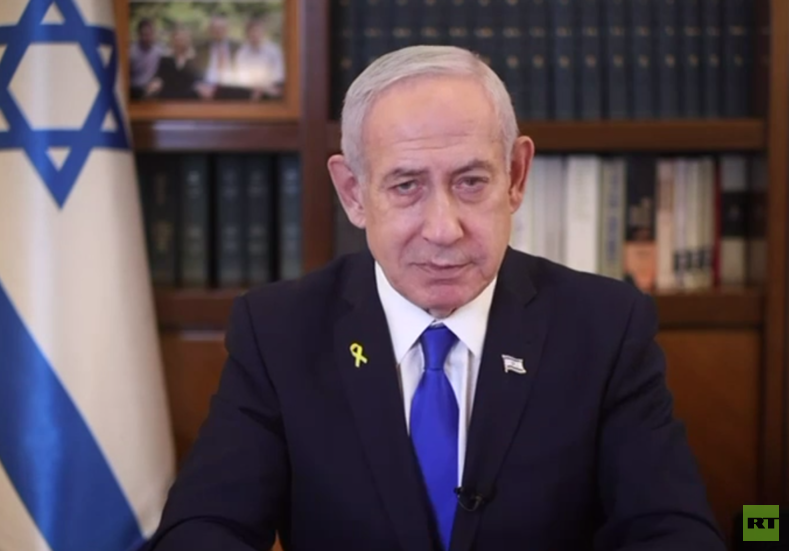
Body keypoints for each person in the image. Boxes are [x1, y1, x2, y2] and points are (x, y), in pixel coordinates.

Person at [148, 45, 726, 551]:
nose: (444, 229)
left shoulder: (605, 327)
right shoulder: (279, 331)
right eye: (406, 186)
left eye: (471, 182)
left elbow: (675, 531)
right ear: (353, 193)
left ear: (516, 176)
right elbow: (201, 529)